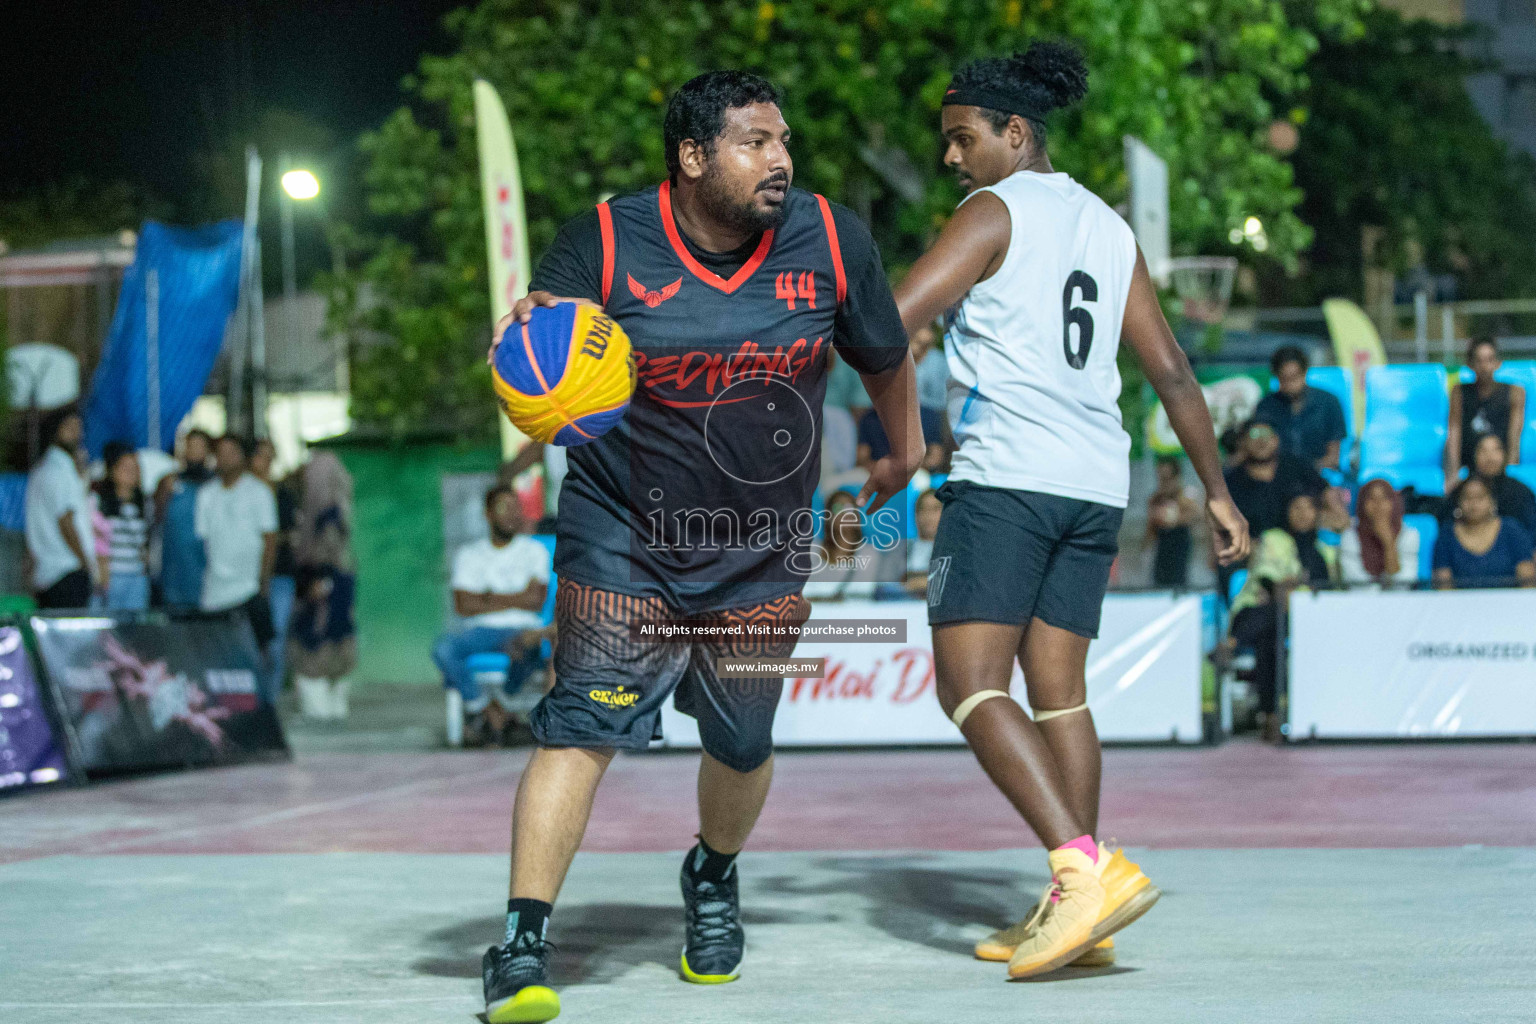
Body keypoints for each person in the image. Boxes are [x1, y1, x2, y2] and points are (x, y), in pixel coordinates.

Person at [479, 71, 918, 1023]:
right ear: (692, 157)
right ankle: (520, 941)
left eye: (784, 141)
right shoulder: (605, 238)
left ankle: (712, 875)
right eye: (756, 142)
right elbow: (540, 335)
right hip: (623, 532)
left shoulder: (831, 238)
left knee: (741, 736)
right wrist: (521, 344)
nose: (781, 159)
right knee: (581, 726)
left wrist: (906, 454)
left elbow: (884, 357)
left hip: (758, 543)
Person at [892, 42, 1249, 978]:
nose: (952, 158)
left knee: (969, 686)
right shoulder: (1105, 223)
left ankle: (1080, 868)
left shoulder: (991, 210)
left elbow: (897, 319)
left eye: (963, 138)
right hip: (1095, 483)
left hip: (1008, 476)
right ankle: (1076, 905)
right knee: (1061, 694)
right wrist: (1216, 489)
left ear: (1015, 133)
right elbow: (1170, 368)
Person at [431, 485, 551, 743]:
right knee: (443, 650)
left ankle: (502, 705)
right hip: (480, 632)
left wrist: (485, 596)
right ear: (487, 514)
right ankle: (488, 709)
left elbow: (534, 601)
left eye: (516, 508)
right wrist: (516, 597)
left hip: (522, 629)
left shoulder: (534, 551)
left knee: (530, 647)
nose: (512, 514)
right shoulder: (470, 554)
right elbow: (463, 605)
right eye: (504, 508)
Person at [1228, 492, 1339, 741]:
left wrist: (1287, 589)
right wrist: (1290, 587)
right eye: (1295, 508)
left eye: (1308, 508)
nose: (1302, 514)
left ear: (1317, 514)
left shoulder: (1324, 552)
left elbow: (1325, 592)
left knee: (1273, 629)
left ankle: (1233, 646)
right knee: (1272, 627)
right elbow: (1268, 583)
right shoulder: (1274, 539)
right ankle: (1272, 714)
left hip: (1300, 622)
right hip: (1256, 611)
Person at [195, 435, 278, 699]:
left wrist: (262, 582)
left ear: (242, 456)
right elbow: (203, 541)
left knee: (257, 655)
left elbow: (270, 539)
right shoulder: (206, 494)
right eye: (220, 452)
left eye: (232, 451)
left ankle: (262, 709)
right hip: (215, 591)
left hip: (248, 588)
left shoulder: (259, 492)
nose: (225, 457)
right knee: (218, 658)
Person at [24, 408, 95, 609]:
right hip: (67, 572)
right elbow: (65, 521)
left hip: (46, 574)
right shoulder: (59, 472)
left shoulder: (41, 470)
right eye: (70, 428)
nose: (77, 434)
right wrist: (85, 563)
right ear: (55, 430)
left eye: (79, 429)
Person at [1223, 420, 1342, 537]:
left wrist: (1337, 513)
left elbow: (1326, 490)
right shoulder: (1232, 481)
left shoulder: (1295, 466)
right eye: (1254, 435)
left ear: (1276, 439)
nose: (1261, 441)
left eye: (1266, 434)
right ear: (1243, 442)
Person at [1446, 337, 1525, 491]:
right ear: (1470, 364)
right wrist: (1453, 475)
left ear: (1498, 363)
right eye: (1479, 360)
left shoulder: (1515, 392)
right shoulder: (1460, 392)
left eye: (1489, 359)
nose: (1484, 366)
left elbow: (1514, 437)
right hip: (1469, 463)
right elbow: (1454, 432)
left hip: (1499, 465)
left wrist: (1509, 478)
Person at [250, 439, 299, 689]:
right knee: (252, 637)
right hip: (247, 578)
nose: (265, 462)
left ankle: (271, 694)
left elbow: (291, 534)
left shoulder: (283, 494)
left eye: (270, 457)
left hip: (280, 575)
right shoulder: (244, 493)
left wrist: (270, 538)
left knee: (276, 638)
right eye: (261, 456)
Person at [1432, 476, 1536, 589]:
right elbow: (1443, 586)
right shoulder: (1446, 536)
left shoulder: (1512, 530)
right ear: (1458, 503)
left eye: (1480, 497)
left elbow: (1527, 580)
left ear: (1492, 501)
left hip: (1510, 603)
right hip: (1459, 604)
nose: (1474, 503)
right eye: (1467, 498)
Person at [1254, 345, 1346, 471]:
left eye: (1294, 377)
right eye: (1284, 379)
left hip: (1319, 476)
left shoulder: (1327, 402)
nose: (1290, 385)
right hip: (1278, 477)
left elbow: (1333, 455)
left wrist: (1306, 471)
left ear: (1304, 373)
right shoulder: (1267, 406)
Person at [288, 562, 357, 720]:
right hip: (313, 652)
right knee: (318, 712)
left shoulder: (343, 578)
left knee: (335, 711)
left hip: (336, 582)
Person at [156, 428, 214, 610]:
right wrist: (164, 492)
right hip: (175, 572)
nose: (194, 451)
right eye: (190, 446)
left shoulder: (217, 485)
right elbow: (156, 518)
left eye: (200, 446)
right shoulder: (169, 482)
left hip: (208, 571)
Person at [93, 442, 151, 611]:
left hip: (137, 577)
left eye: (134, 468)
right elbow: (97, 543)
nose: (131, 473)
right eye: (125, 468)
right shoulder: (99, 502)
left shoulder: (144, 504)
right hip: (111, 577)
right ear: (112, 471)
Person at [1451, 432, 1536, 538]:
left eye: (1496, 450)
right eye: (1483, 450)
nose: (1490, 457)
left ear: (1504, 455)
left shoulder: (1520, 492)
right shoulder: (1461, 491)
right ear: (1474, 455)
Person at [1339, 478, 1420, 586]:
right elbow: (1356, 583)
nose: (1378, 505)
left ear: (1394, 502)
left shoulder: (1409, 535)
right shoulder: (1350, 535)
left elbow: (1404, 582)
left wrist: (1388, 543)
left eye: (1384, 498)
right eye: (1371, 498)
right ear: (1362, 503)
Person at [1145, 455, 1198, 588]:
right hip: (1162, 548)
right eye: (1161, 479)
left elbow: (1195, 516)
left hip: (1180, 547)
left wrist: (1173, 517)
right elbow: (1150, 533)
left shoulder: (1186, 495)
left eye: (1167, 479)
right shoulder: (1155, 499)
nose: (1164, 483)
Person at [903, 488, 943, 598]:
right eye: (923, 509)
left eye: (935, 509)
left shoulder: (955, 551)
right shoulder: (903, 549)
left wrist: (922, 583)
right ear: (916, 515)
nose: (928, 515)